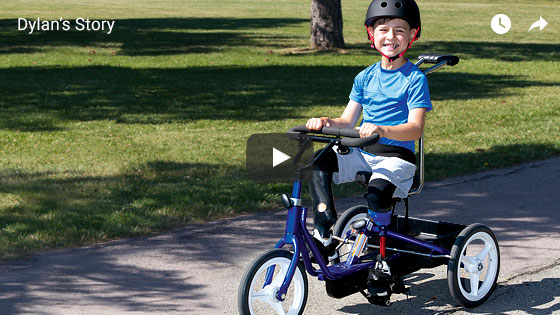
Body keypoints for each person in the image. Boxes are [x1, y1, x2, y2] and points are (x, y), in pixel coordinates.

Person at [306, 0, 431, 299]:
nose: (390, 36)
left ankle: (382, 260)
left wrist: (382, 130)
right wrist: (326, 121)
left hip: (396, 158)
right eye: (383, 30)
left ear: (412, 35)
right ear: (371, 35)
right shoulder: (364, 77)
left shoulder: (415, 78)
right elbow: (347, 120)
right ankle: (325, 231)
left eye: (399, 30)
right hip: (364, 150)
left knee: (377, 193)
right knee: (320, 161)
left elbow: (416, 128)